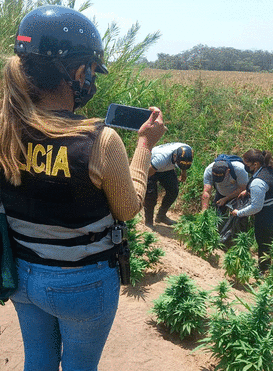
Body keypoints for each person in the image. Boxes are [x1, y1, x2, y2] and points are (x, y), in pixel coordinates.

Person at [0, 5, 166, 370]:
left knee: (39, 361)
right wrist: (144, 146)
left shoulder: (4, 126)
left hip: (22, 275)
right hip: (82, 284)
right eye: (91, 70)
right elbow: (128, 208)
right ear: (78, 72)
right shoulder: (100, 140)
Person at [231, 149, 273, 272]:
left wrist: (239, 213)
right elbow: (269, 187)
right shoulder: (271, 168)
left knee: (264, 242)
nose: (245, 167)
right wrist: (248, 191)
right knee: (269, 240)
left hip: (270, 213)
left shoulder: (257, 182)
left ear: (255, 164)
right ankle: (270, 265)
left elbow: (256, 207)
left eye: (247, 164)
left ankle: (263, 271)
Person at [144, 142, 193, 227]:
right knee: (151, 196)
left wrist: (183, 172)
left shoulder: (188, 151)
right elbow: (148, 173)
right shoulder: (161, 158)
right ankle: (149, 222)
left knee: (173, 190)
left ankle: (161, 216)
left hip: (167, 169)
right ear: (174, 156)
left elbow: (184, 162)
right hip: (150, 168)